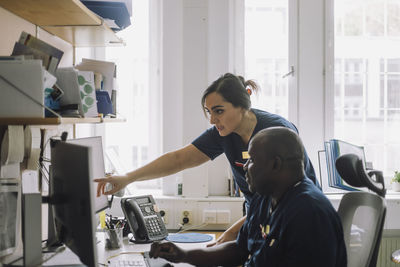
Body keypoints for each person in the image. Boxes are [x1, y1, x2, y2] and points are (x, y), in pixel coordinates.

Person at [95, 73, 318, 245]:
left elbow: (280, 201)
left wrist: (232, 233)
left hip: (294, 223)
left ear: (243, 103)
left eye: (218, 111)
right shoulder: (224, 134)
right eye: (208, 111)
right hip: (259, 223)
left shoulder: (277, 133)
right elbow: (179, 159)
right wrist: (128, 178)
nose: (212, 119)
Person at [149, 127, 347, 266]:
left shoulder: (309, 213)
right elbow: (239, 250)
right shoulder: (266, 197)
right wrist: (183, 255)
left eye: (251, 160)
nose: (244, 166)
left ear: (275, 164)